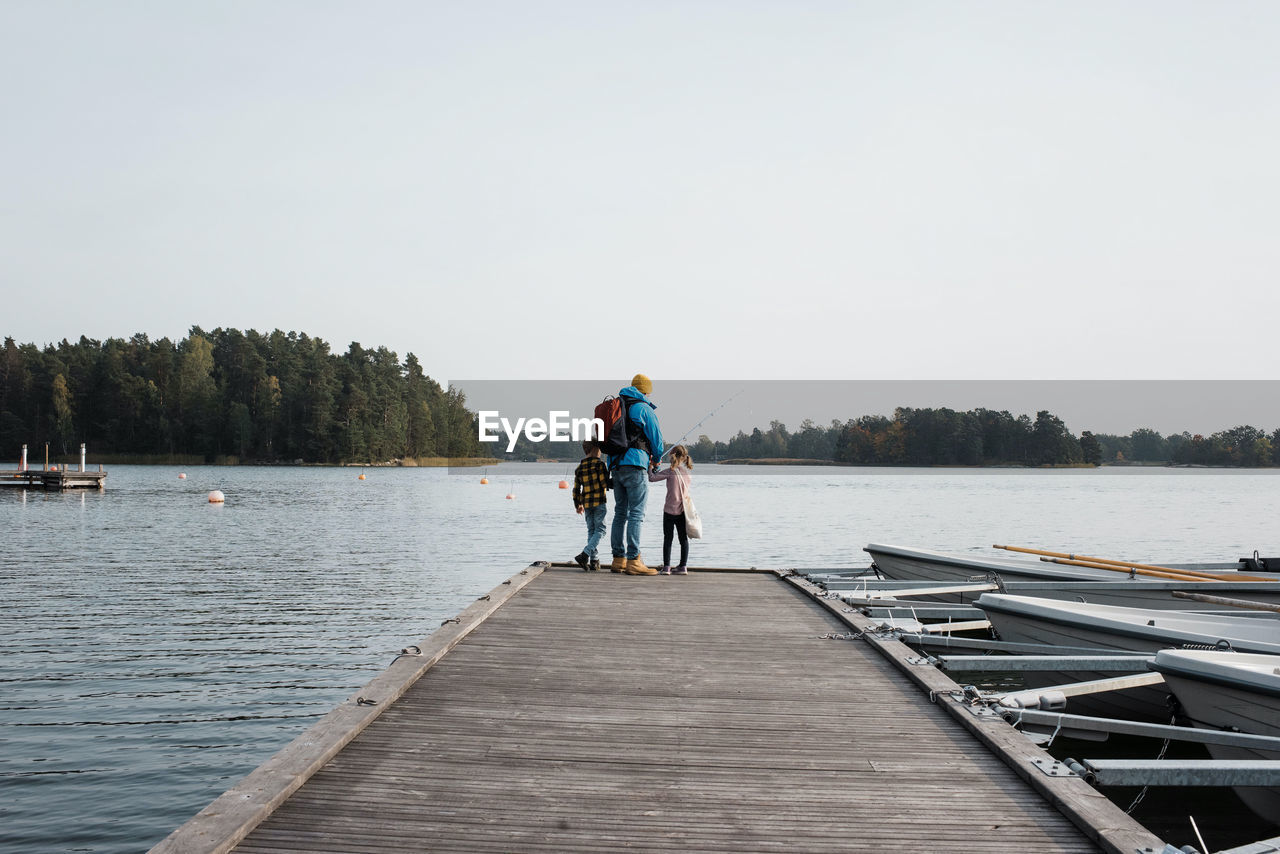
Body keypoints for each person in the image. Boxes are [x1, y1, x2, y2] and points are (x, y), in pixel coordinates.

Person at [607, 374, 663, 576]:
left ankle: (617, 559)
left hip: (615, 465)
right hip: (635, 464)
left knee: (620, 512)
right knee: (636, 513)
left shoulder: (618, 405)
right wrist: (656, 459)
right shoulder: (644, 408)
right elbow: (656, 440)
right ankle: (633, 560)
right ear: (646, 391)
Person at [648, 444, 692, 575]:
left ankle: (666, 567)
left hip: (668, 510)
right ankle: (683, 566)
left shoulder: (670, 471)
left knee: (668, 539)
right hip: (682, 511)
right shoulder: (687, 474)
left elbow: (652, 478)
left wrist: (650, 467)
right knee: (683, 539)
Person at [571, 440, 610, 571]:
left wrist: (578, 505)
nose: (601, 451)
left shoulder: (579, 468)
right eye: (599, 449)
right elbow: (605, 483)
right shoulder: (599, 465)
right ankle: (585, 554)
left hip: (587, 503)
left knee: (591, 531)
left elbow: (576, 489)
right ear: (594, 449)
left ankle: (594, 561)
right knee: (601, 530)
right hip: (599, 501)